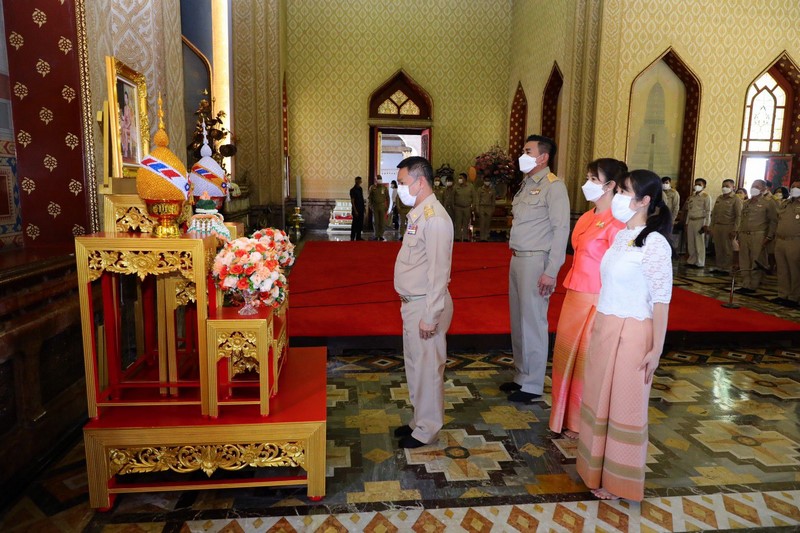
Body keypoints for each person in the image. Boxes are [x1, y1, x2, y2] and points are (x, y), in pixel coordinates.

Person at [576, 169, 673, 501]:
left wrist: (656, 349)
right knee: (599, 399)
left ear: (645, 201)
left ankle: (619, 482)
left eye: (626, 192)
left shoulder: (655, 242)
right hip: (606, 325)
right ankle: (594, 469)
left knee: (625, 407)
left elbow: (661, 300)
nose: (619, 197)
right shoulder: (620, 236)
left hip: (633, 332)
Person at [549, 158, 626, 439]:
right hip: (575, 293)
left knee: (586, 362)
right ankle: (563, 416)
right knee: (565, 356)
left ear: (611, 185)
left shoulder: (619, 224)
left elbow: (619, 268)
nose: (587, 183)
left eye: (594, 179)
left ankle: (581, 420)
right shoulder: (586, 216)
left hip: (597, 296)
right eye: (588, 177)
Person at [503, 134, 570, 403]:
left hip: (536, 261)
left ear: (542, 157)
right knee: (518, 321)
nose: (523, 154)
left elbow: (561, 230)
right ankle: (522, 375)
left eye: (528, 150)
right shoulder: (526, 185)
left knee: (533, 322)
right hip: (518, 257)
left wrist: (551, 271)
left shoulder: (554, 187)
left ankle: (532, 385)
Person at [392, 155, 454, 449]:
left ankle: (427, 429)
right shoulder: (418, 214)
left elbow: (438, 273)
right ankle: (419, 422)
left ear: (420, 181)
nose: (400, 188)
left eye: (403, 183)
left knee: (428, 369)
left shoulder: (436, 219)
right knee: (416, 367)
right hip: (412, 302)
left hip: (426, 304)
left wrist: (430, 315)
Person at [735, 179, 777, 294]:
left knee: (756, 260)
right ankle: (745, 283)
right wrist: (739, 233)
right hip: (744, 234)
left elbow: (773, 221)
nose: (754, 188)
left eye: (757, 186)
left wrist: (769, 237)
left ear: (764, 189)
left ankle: (753, 285)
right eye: (753, 186)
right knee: (744, 260)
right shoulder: (746, 202)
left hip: (758, 234)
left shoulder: (768, 202)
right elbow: (742, 219)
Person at [771, 181, 800, 308]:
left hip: (795, 240)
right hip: (781, 239)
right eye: (793, 187)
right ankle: (783, 294)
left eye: (798, 187)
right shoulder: (785, 203)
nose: (794, 189)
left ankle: (794, 297)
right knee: (782, 269)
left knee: (794, 270)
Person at [709, 179, 742, 275]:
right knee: (718, 248)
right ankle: (719, 266)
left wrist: (735, 230)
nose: (724, 188)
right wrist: (712, 227)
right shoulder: (719, 198)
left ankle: (727, 268)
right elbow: (714, 214)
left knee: (727, 248)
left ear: (733, 187)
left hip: (729, 226)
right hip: (718, 226)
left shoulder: (736, 199)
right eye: (723, 186)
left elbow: (738, 216)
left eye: (727, 186)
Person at [683, 178, 711, 268]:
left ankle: (700, 262)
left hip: (700, 220)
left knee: (699, 242)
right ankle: (692, 260)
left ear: (704, 186)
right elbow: (689, 210)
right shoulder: (692, 197)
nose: (697, 186)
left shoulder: (706, 197)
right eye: (696, 184)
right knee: (691, 242)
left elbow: (708, 211)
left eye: (699, 184)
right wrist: (687, 223)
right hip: (691, 220)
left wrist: (706, 224)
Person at [661, 176, 680, 254]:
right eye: (663, 183)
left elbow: (676, 207)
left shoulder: (674, 193)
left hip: (669, 217)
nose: (665, 184)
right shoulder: (660, 192)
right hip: (660, 217)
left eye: (666, 183)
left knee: (668, 236)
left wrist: (673, 219)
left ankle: (668, 253)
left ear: (670, 183)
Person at [453, 173, 475, 241]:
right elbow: (452, 197)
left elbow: (474, 197)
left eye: (461, 178)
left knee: (466, 223)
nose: (459, 179)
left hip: (467, 208)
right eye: (459, 178)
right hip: (458, 208)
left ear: (465, 179)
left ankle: (465, 237)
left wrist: (473, 206)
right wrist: (454, 206)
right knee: (458, 223)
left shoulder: (470, 186)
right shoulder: (455, 186)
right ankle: (457, 237)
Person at [369, 175, 389, 240]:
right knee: (375, 221)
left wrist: (387, 206)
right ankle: (376, 235)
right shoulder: (372, 187)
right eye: (378, 179)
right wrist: (370, 205)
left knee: (382, 221)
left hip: (382, 206)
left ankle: (381, 235)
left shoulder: (384, 188)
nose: (379, 180)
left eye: (380, 178)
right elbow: (370, 198)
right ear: (376, 180)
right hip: (375, 206)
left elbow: (387, 198)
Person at [349, 176, 365, 241]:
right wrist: (355, 210)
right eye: (359, 180)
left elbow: (361, 198)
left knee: (360, 223)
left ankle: (358, 236)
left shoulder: (360, 189)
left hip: (361, 208)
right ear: (356, 181)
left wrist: (364, 208)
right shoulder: (352, 190)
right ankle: (352, 236)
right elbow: (352, 201)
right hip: (356, 209)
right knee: (355, 223)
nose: (360, 182)